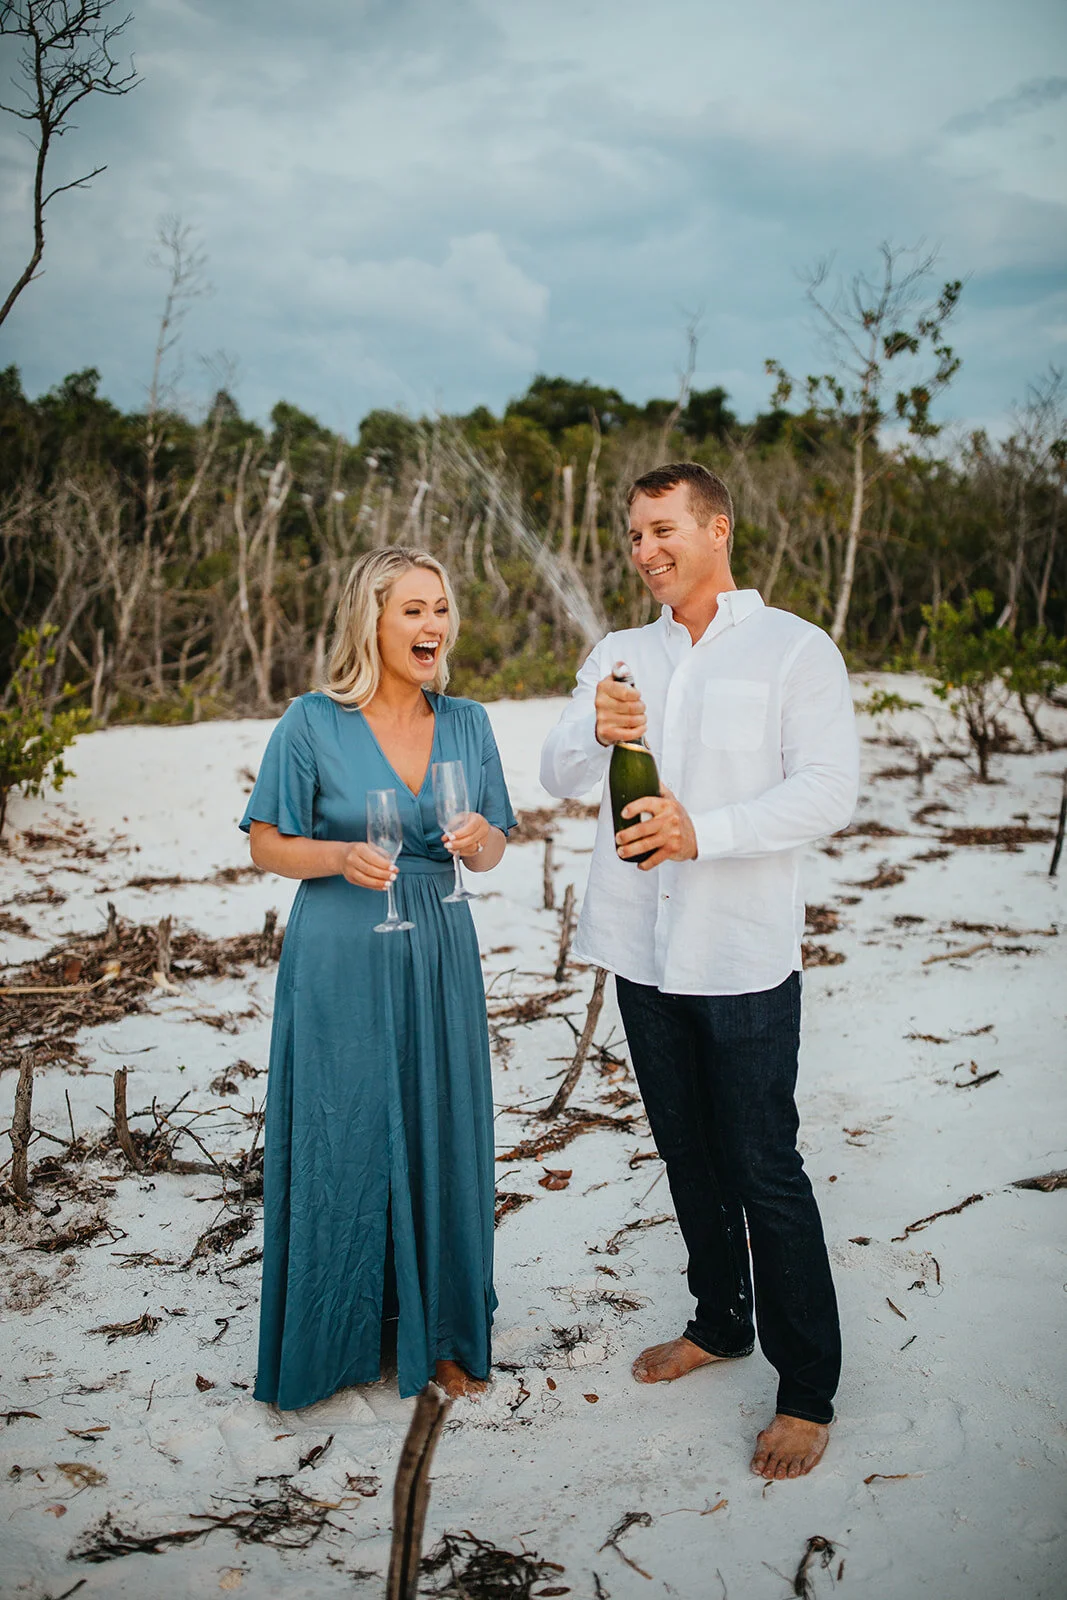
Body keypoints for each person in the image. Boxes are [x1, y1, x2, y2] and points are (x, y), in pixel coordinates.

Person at [540, 462, 859, 1480]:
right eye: (632, 533)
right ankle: (718, 1322)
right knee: (683, 1151)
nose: (643, 551)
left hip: (741, 952)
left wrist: (701, 829)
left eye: (661, 529)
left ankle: (805, 1387)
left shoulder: (790, 649)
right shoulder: (619, 654)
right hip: (642, 948)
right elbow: (554, 774)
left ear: (716, 528)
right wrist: (592, 727)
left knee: (764, 1166)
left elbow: (826, 791)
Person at [241, 547, 515, 1407]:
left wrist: (479, 843)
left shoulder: (467, 722)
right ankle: (330, 1340)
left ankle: (442, 1337)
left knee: (443, 1130)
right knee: (343, 1127)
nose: (432, 624)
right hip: (340, 947)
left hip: (438, 941)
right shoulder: (310, 722)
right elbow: (264, 843)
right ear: (373, 621)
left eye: (440, 608)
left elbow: (499, 842)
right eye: (412, 611)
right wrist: (337, 856)